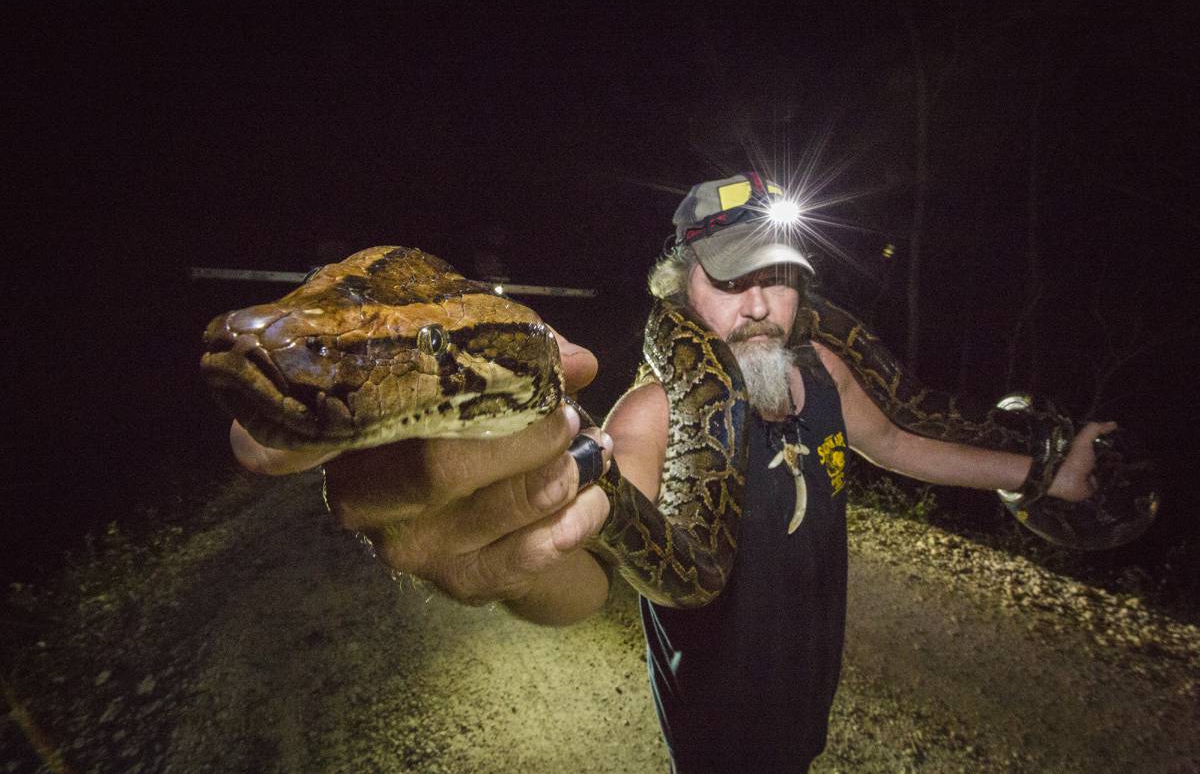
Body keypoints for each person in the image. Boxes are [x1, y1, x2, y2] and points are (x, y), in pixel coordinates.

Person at [229, 172, 1114, 772]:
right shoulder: (653, 411)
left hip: (805, 719)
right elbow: (586, 585)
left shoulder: (820, 378)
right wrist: (522, 538)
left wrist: (1043, 473)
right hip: (718, 745)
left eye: (780, 278)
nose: (762, 304)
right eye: (733, 281)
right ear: (680, 288)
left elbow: (901, 441)